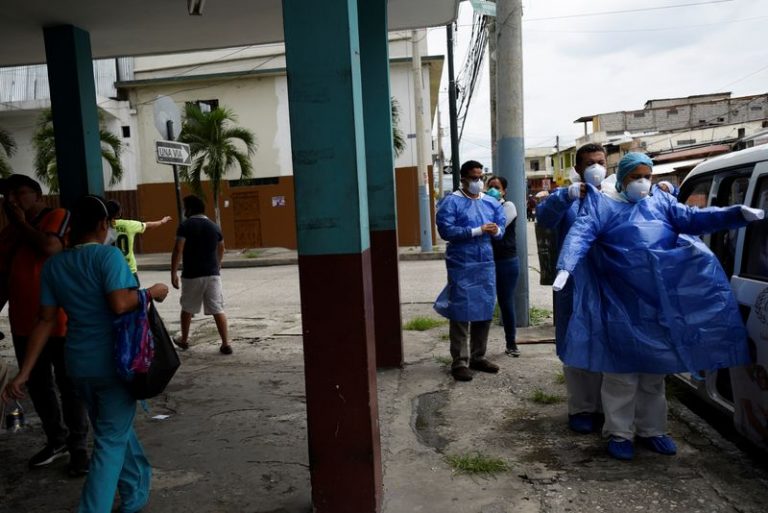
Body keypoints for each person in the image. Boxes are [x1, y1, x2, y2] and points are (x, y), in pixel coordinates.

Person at [553, 152, 765, 460]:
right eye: (635, 177)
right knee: (620, 376)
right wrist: (565, 267)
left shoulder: (661, 203)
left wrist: (735, 214)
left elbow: (693, 219)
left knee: (654, 375)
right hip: (619, 303)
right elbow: (580, 235)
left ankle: (653, 430)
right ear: (623, 178)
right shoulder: (604, 205)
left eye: (647, 176)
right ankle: (619, 433)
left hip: (657, 301)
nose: (642, 182)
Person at [1, 194, 170, 512]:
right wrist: (152, 293)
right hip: (114, 364)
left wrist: (24, 372)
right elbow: (120, 303)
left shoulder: (55, 265)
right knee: (109, 441)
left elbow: (45, 320)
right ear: (102, 224)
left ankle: (135, 490)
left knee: (113, 427)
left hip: (78, 364)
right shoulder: (108, 258)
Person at [0, 174, 89, 474]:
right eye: (7, 196)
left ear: (37, 195)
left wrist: (20, 223)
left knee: (70, 385)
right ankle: (57, 439)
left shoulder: (57, 216)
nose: (12, 200)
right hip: (23, 323)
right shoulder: (9, 234)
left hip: (59, 322)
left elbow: (51, 248)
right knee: (38, 387)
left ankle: (79, 446)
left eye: (19, 192)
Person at [535, 143, 608, 434]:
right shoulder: (567, 199)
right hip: (574, 286)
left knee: (607, 345)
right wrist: (564, 196)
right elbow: (544, 218)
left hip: (607, 285)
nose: (596, 167)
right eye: (589, 162)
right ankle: (581, 407)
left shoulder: (614, 195)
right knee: (575, 345)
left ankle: (606, 408)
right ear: (578, 168)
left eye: (600, 161)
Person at [434, 160, 505, 382]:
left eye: (480, 177)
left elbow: (501, 228)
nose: (478, 182)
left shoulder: (491, 203)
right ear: (463, 178)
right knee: (460, 312)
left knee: (484, 309)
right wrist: (477, 230)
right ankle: (460, 361)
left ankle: (478, 356)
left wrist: (495, 231)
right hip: (461, 263)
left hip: (485, 263)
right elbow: (447, 230)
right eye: (474, 178)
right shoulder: (451, 202)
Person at [171, 195, 232, 355]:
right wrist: (217, 265)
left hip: (192, 275)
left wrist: (173, 273)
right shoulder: (214, 226)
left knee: (187, 308)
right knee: (218, 308)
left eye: (185, 207)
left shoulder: (185, 226)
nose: (184, 210)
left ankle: (184, 340)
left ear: (190, 209)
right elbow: (222, 247)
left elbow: (178, 249)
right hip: (213, 274)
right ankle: (226, 343)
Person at [486, 176, 520, 357]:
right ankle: (478, 349)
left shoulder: (508, 207)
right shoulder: (483, 206)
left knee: (506, 302)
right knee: (485, 302)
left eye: (496, 187)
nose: (492, 190)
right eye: (489, 186)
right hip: (487, 261)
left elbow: (496, 228)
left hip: (506, 261)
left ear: (504, 191)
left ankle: (511, 343)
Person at [105, 199, 172, 284]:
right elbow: (148, 225)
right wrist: (162, 221)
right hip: (129, 268)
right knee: (134, 295)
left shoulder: (103, 228)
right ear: (119, 212)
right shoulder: (129, 224)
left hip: (111, 269)